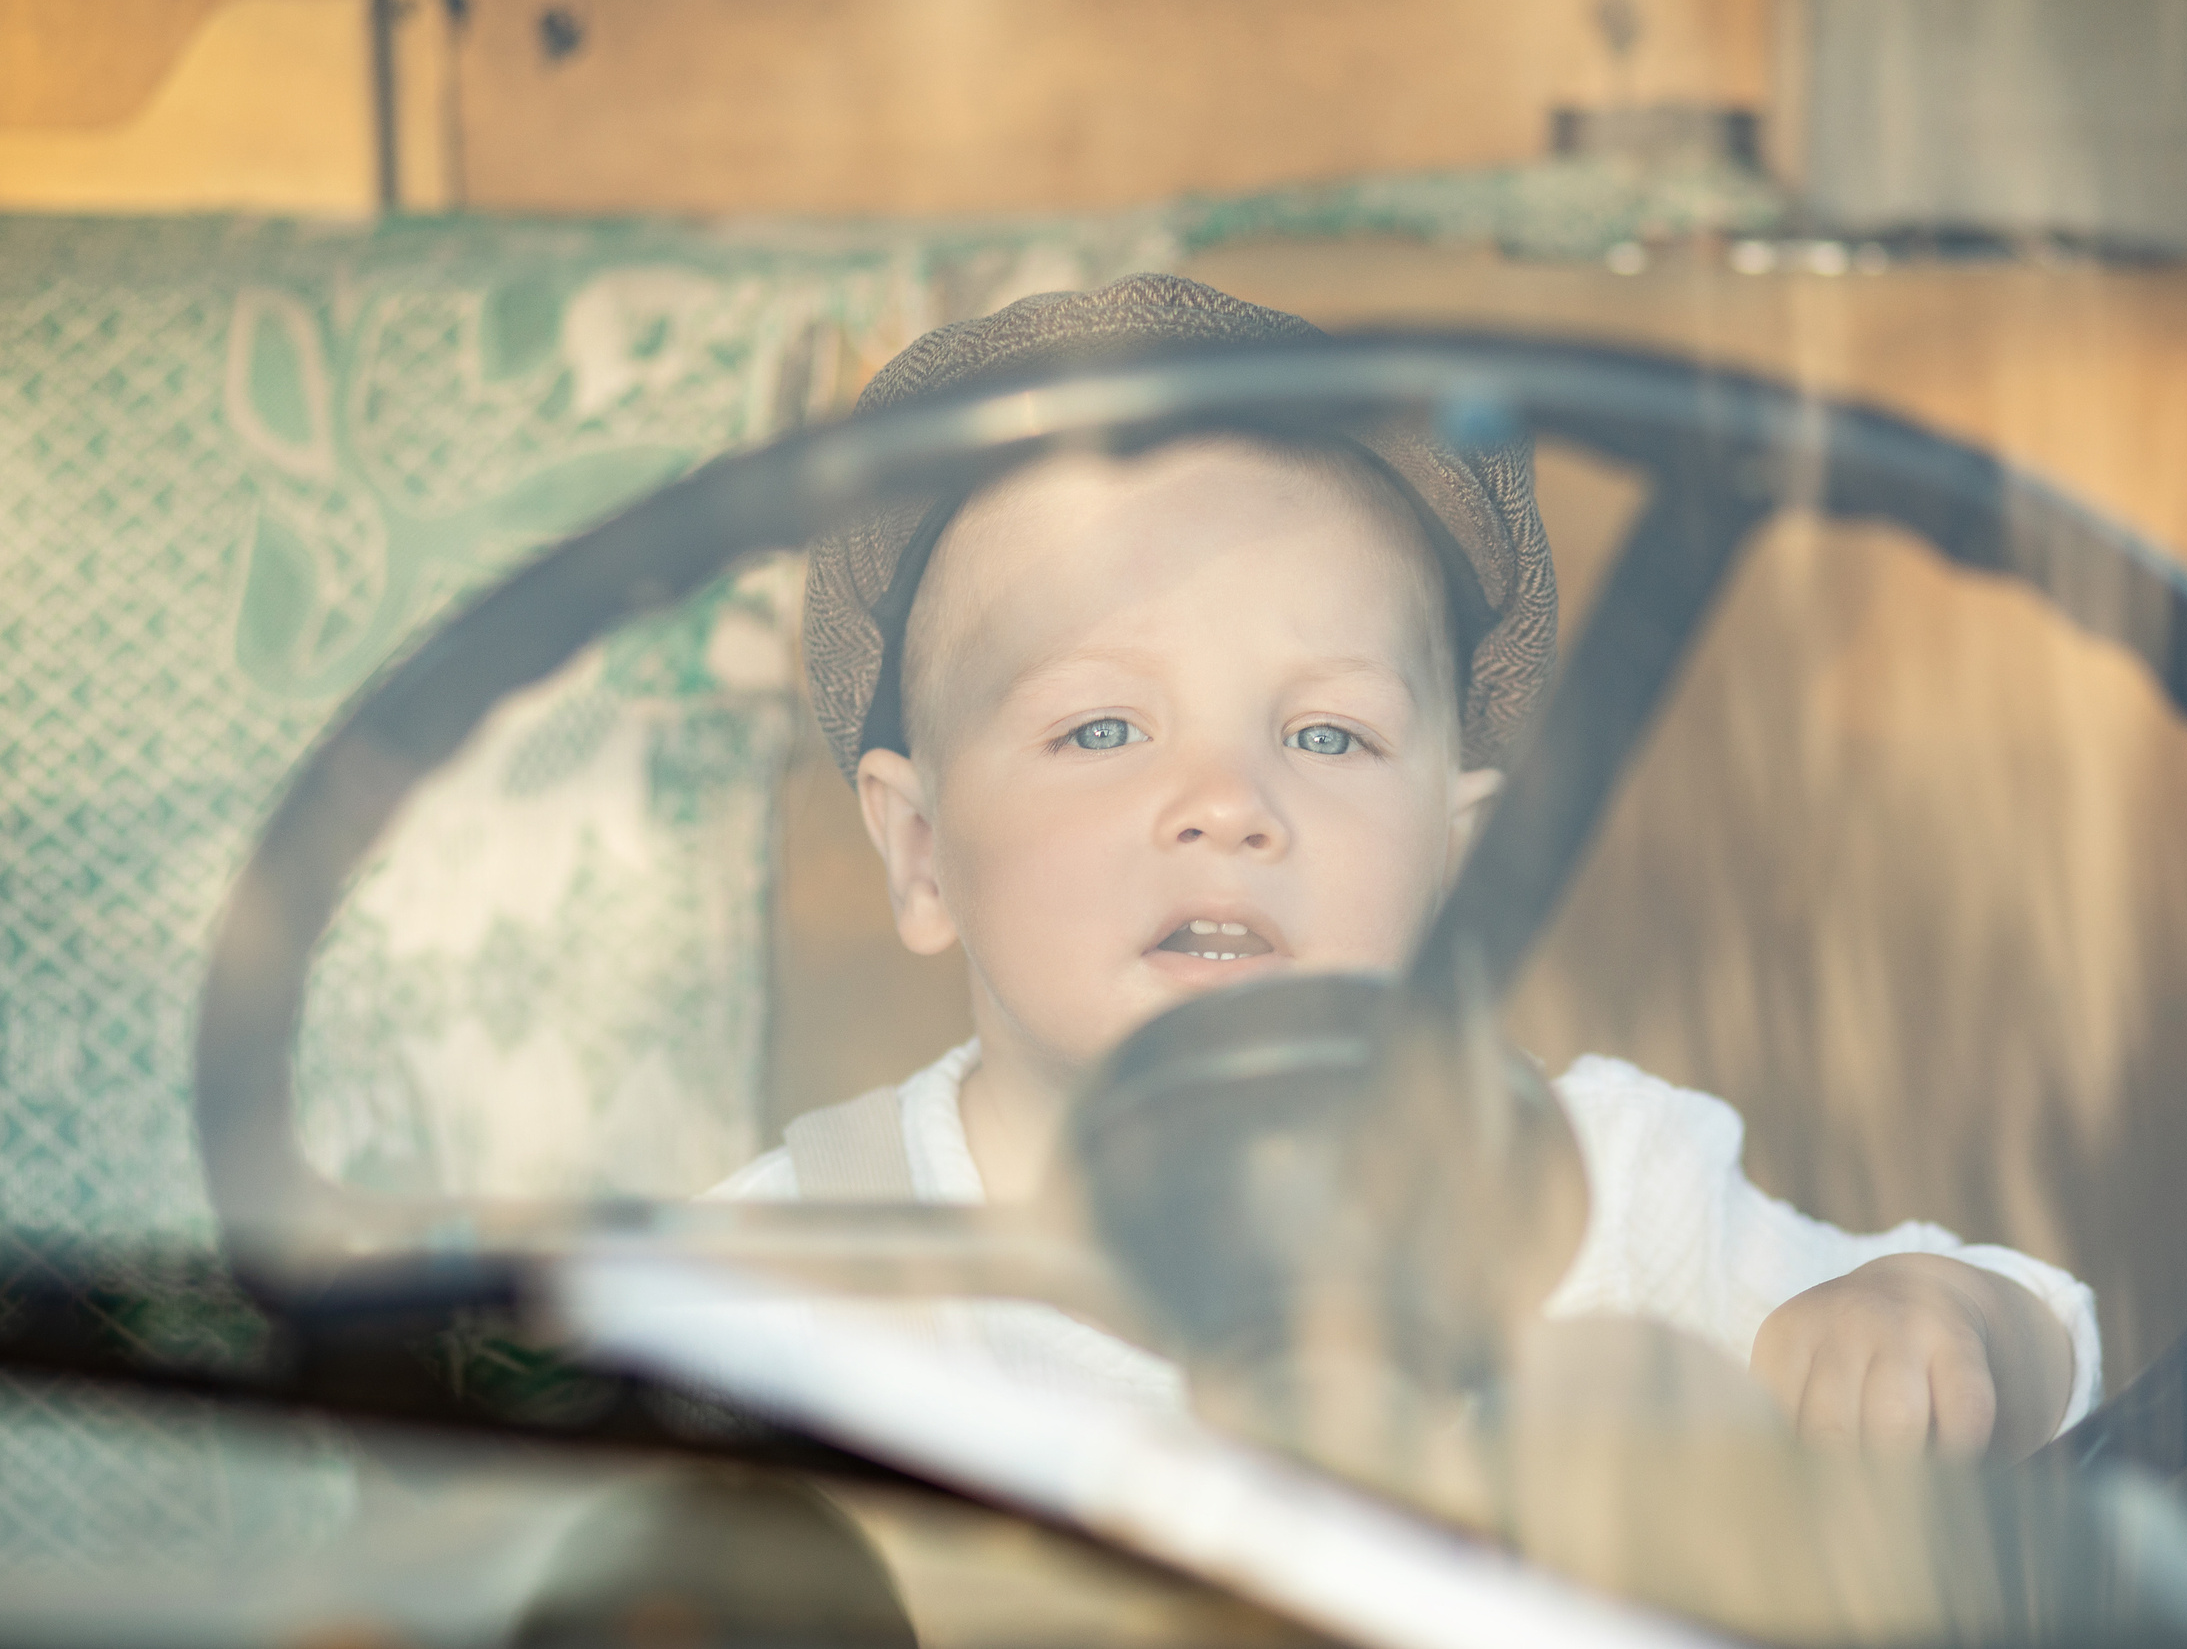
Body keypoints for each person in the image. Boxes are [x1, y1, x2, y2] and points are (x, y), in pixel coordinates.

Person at [718, 274, 2099, 1460]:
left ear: (1456, 854)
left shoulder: (1603, 1188)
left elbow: (2051, 1332)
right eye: (1100, 728)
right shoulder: (778, 1276)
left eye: (1328, 732)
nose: (1227, 803)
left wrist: (1930, 1324)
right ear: (920, 854)